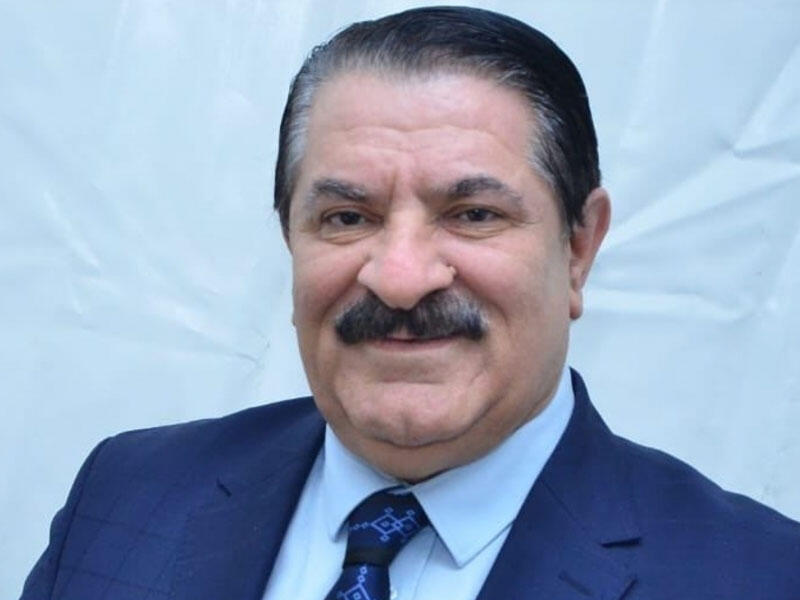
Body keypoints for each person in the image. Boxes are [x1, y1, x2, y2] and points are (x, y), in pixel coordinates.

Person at [21, 6, 800, 600]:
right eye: (346, 218)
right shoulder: (126, 497)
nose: (399, 278)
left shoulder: (760, 576)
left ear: (577, 248)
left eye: (473, 214)